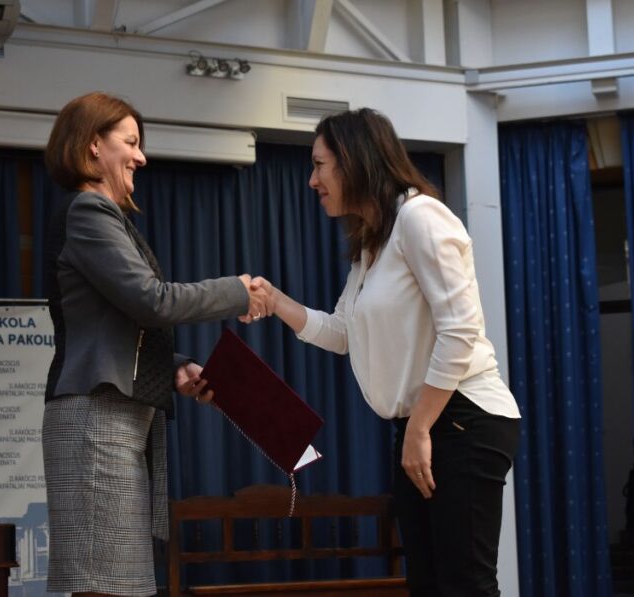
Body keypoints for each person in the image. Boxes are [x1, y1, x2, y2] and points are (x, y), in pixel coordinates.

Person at [247, 108, 521, 596]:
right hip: (423, 423)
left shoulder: (420, 217)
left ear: (354, 161)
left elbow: (460, 330)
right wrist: (276, 301)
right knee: (428, 585)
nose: (313, 181)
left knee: (465, 585)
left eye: (319, 165)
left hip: (463, 417)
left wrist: (419, 428)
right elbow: (343, 333)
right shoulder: (373, 243)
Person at [41, 91, 270, 597]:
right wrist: (237, 291)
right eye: (130, 142)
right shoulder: (88, 211)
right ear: (93, 145)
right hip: (96, 421)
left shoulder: (102, 215)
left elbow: (121, 322)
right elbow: (152, 301)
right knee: (106, 584)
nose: (141, 157)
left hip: (113, 419)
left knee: (118, 583)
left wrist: (174, 367)